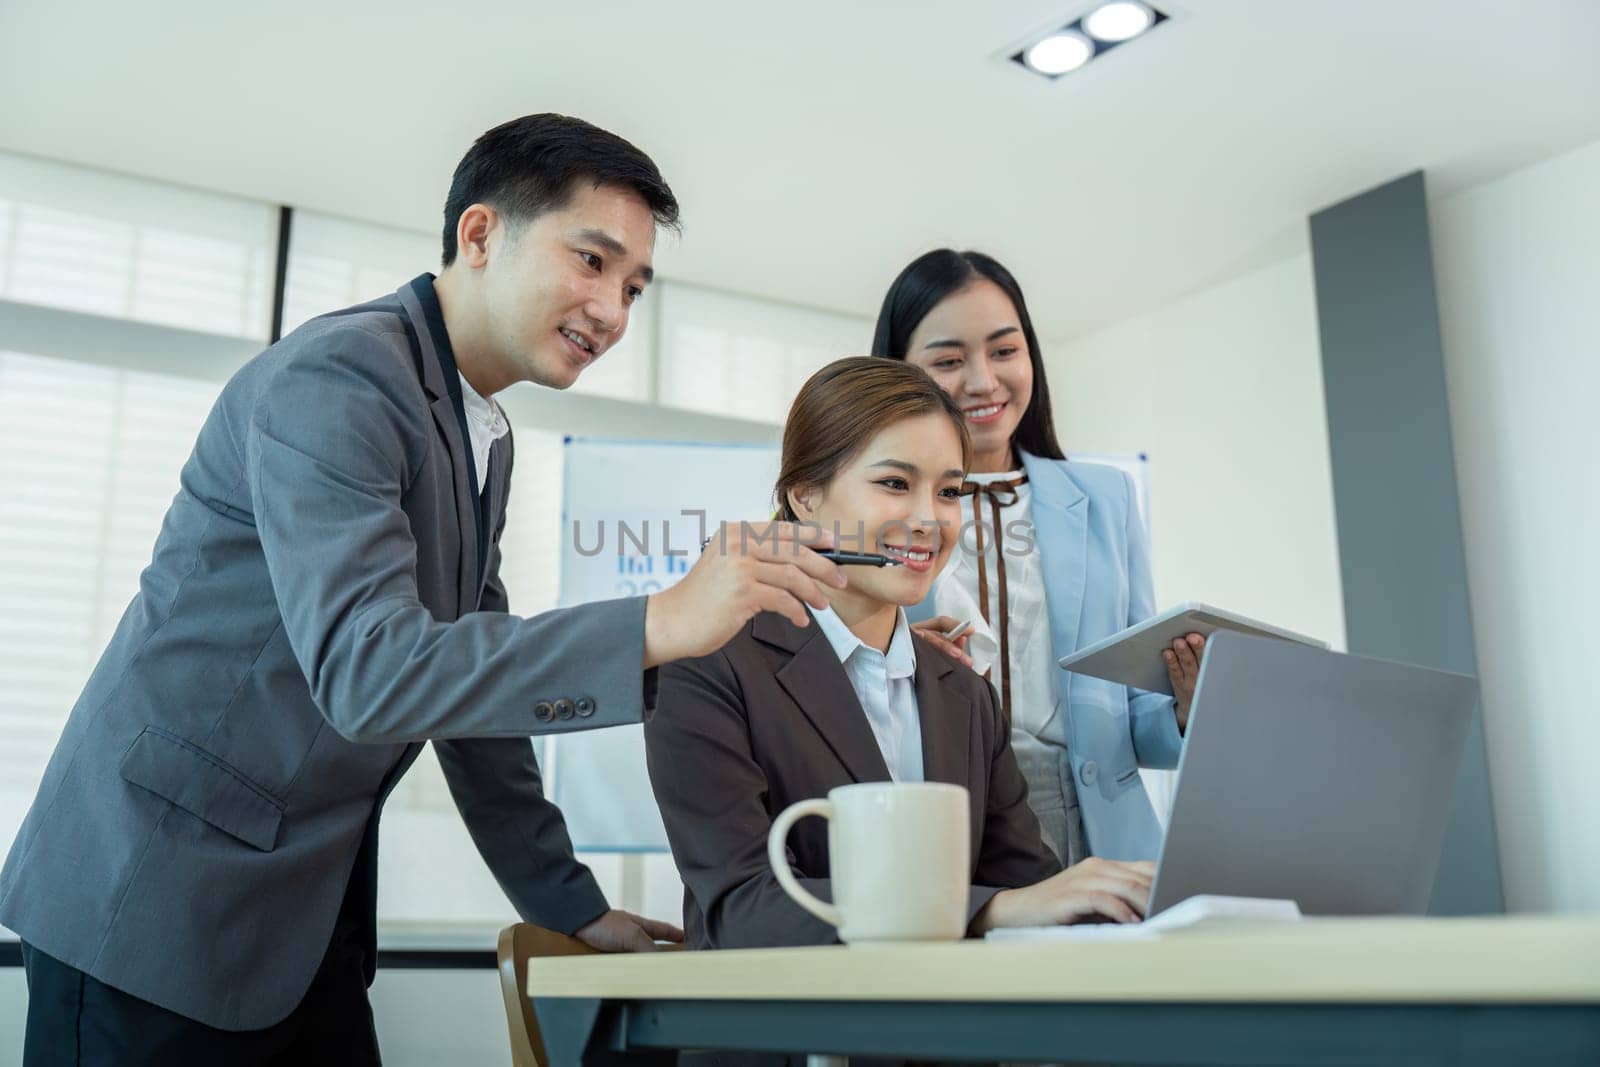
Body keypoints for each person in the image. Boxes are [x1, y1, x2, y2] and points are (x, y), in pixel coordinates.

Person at [0, 113, 845, 1065]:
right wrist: (658, 620)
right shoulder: (340, 377)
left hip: (299, 924)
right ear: (479, 235)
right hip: (155, 903)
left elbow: (474, 715)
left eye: (635, 286)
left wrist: (573, 907)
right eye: (592, 260)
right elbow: (369, 672)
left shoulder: (485, 436)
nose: (612, 309)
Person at [645, 357, 1159, 951]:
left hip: (945, 1040)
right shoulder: (709, 665)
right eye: (894, 483)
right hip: (788, 1035)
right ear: (805, 497)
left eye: (948, 492)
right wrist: (987, 911)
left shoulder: (964, 692)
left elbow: (1031, 891)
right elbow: (747, 908)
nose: (927, 520)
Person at [873, 249, 1206, 865]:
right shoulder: (867, 509)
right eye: (949, 360)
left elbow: (1134, 724)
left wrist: (1187, 711)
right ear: (897, 373)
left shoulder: (1105, 499)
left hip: (1096, 835)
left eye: (1005, 350)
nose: (982, 381)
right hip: (939, 826)